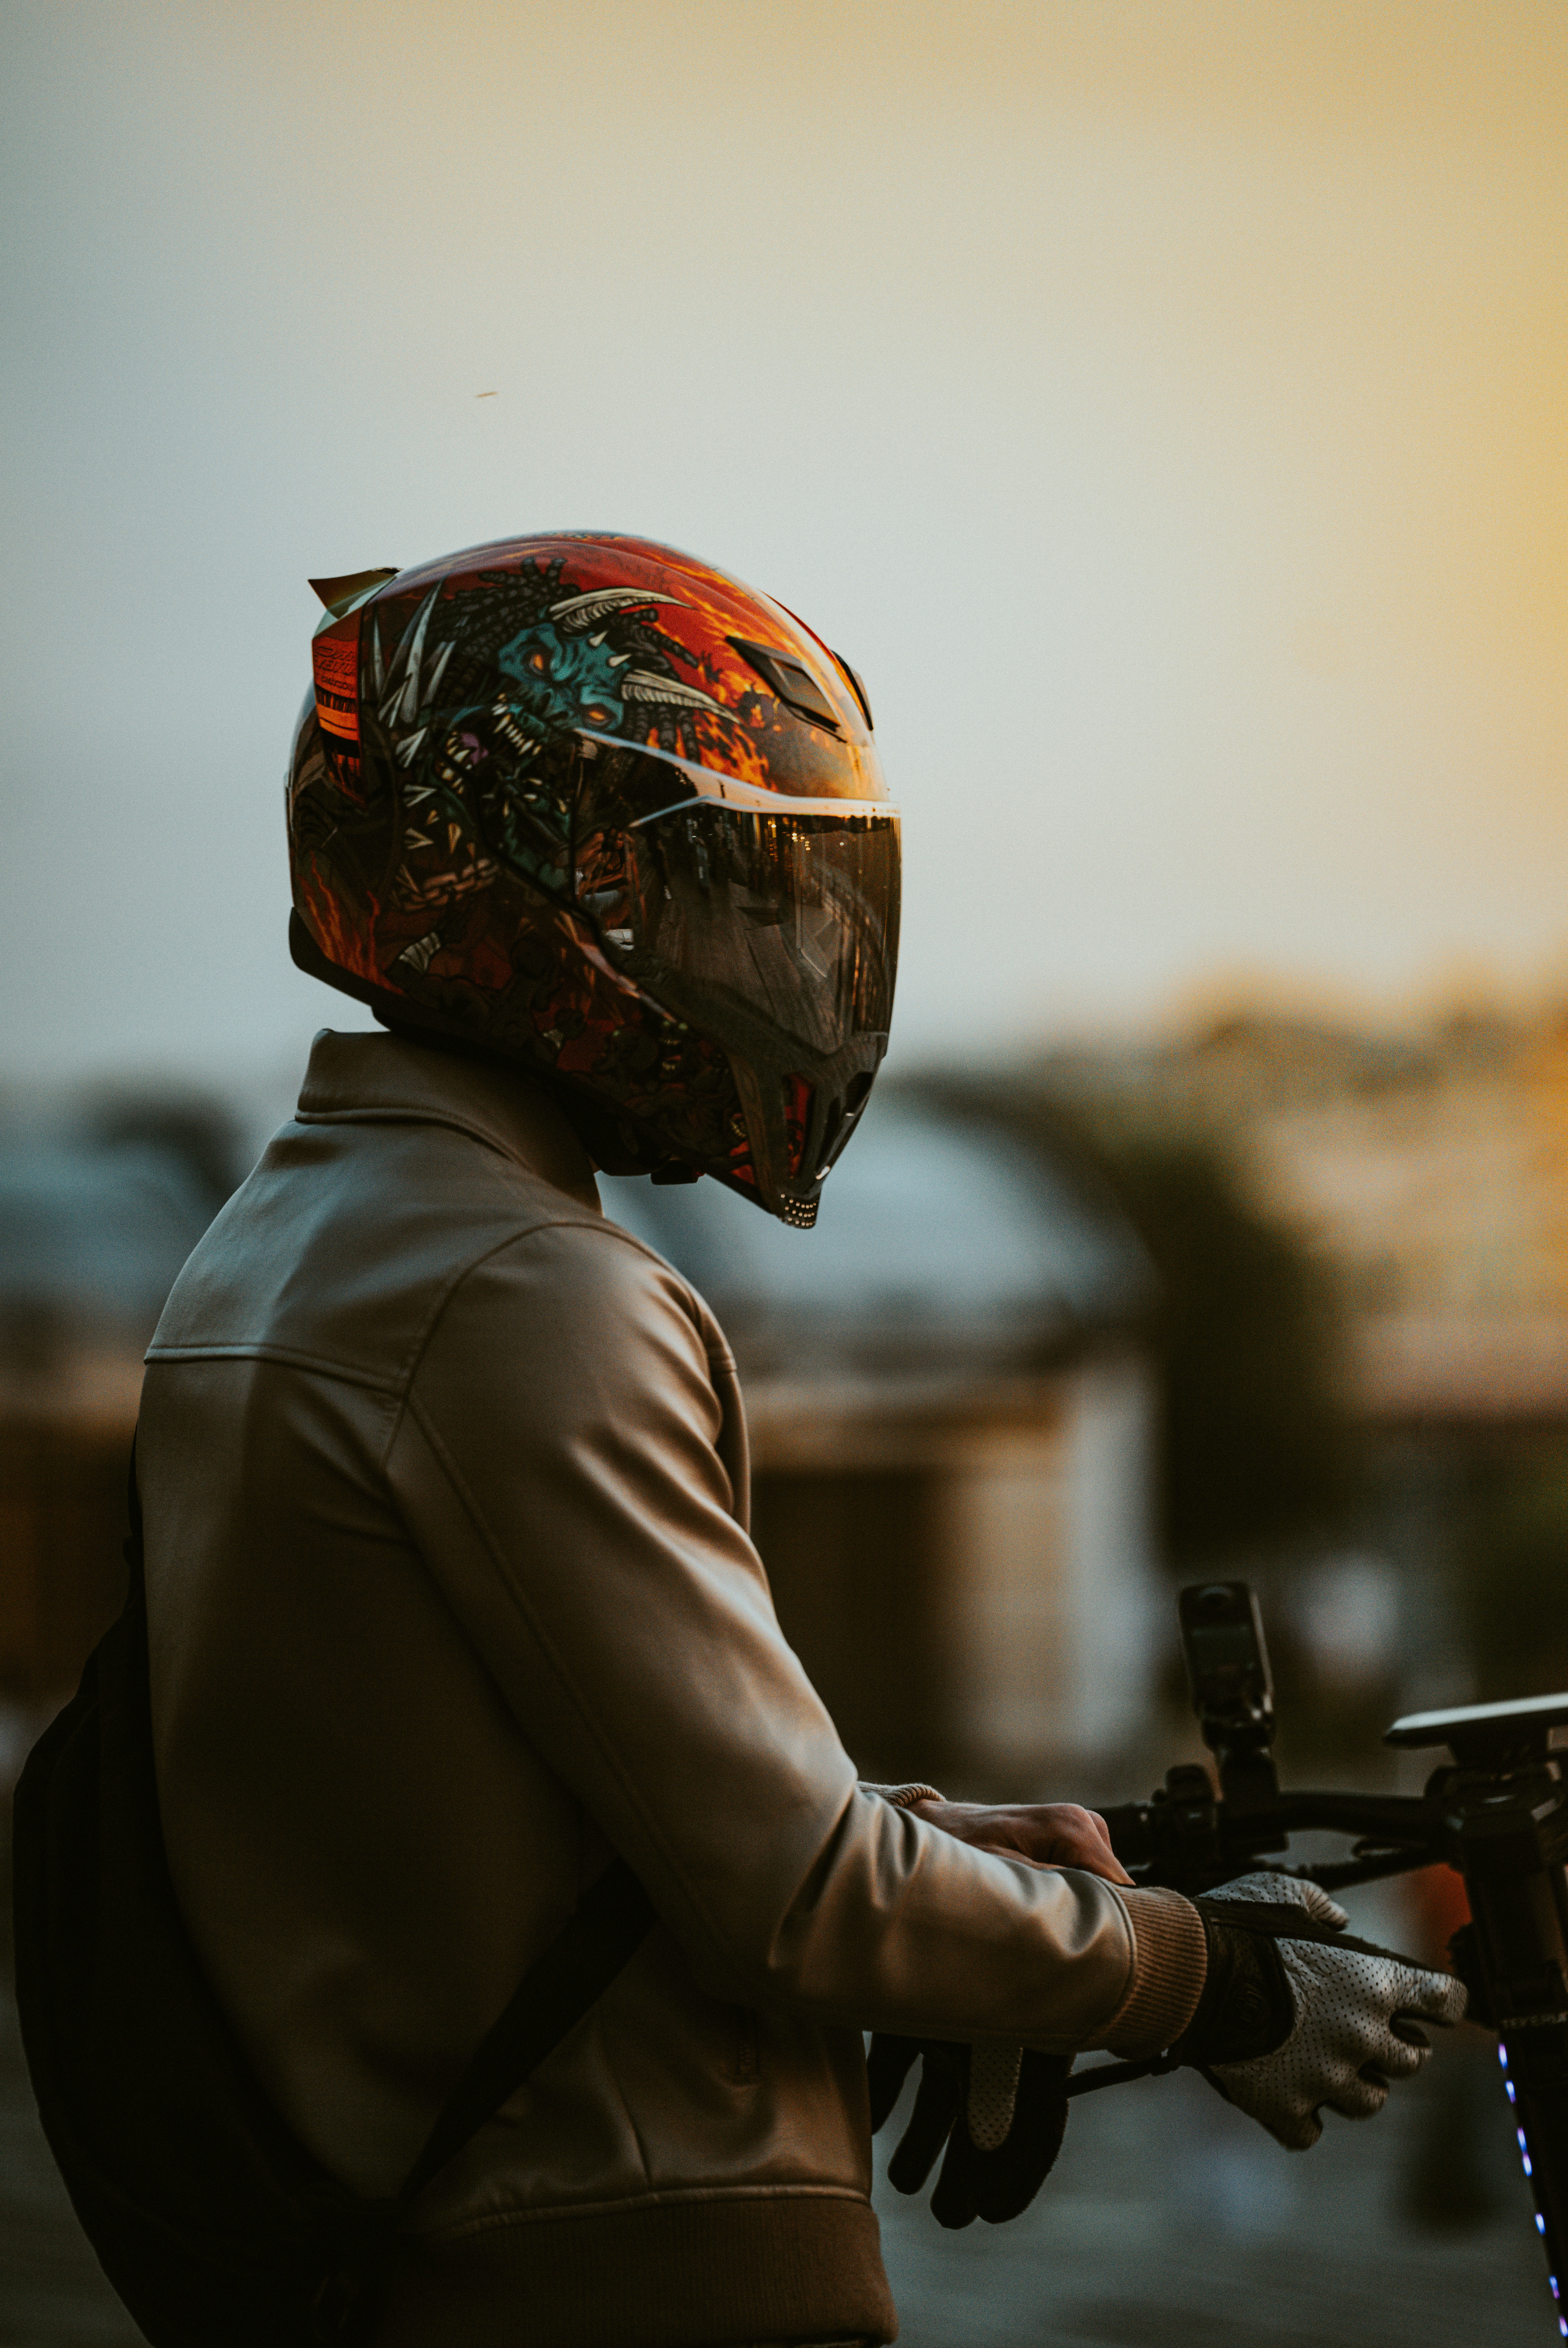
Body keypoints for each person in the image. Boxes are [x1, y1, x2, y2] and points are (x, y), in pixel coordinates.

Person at [137, 533, 1463, 2348]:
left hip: (431, 2254)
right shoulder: (523, 1287)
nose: (786, 957)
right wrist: (1201, 1977)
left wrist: (975, 1871)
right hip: (619, 2279)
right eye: (726, 891)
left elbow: (562, 1834)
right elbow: (789, 1899)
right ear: (543, 887)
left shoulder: (290, 1245)